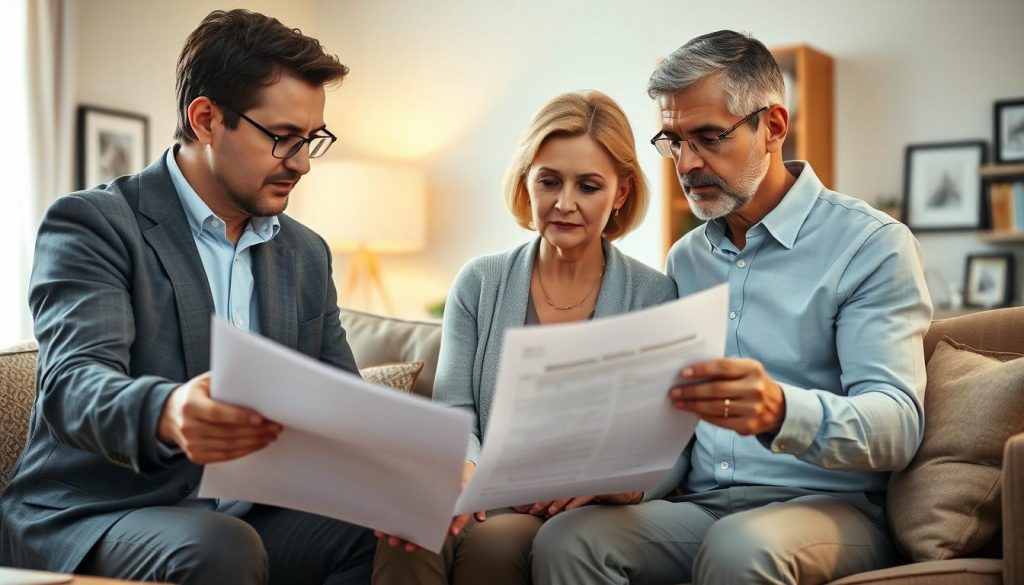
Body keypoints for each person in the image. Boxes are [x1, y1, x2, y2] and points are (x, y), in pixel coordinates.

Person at [532, 30, 933, 585]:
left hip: (829, 510)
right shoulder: (685, 259)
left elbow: (896, 426)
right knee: (568, 540)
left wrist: (778, 410)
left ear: (772, 127)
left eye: (707, 137)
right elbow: (675, 423)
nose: (687, 163)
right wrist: (633, 480)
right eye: (672, 140)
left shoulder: (870, 245)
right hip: (703, 506)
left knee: (740, 545)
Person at [0, 9, 376, 585]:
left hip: (251, 512)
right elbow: (74, 387)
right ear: (205, 118)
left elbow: (342, 403)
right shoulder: (95, 224)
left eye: (310, 140)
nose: (300, 163)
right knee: (220, 545)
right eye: (281, 138)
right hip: (102, 512)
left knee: (372, 524)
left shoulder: (305, 253)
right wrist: (170, 412)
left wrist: (412, 478)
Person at [372, 90, 677, 585]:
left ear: (620, 193)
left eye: (589, 186)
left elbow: (671, 444)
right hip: (482, 491)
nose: (564, 203)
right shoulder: (480, 281)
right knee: (407, 521)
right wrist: (463, 470)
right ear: (526, 182)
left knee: (492, 545)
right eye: (549, 181)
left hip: (576, 513)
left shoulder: (654, 296)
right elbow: (454, 410)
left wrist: (626, 486)